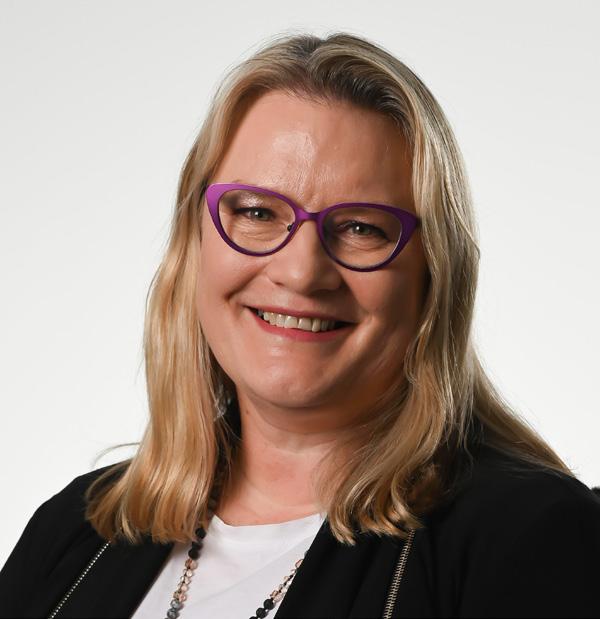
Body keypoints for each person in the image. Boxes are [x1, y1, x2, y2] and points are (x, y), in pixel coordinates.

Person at [1, 31, 599, 619]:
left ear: (434, 275)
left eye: (362, 228)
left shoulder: (529, 535)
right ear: (194, 242)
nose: (302, 272)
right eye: (257, 212)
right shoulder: (75, 530)